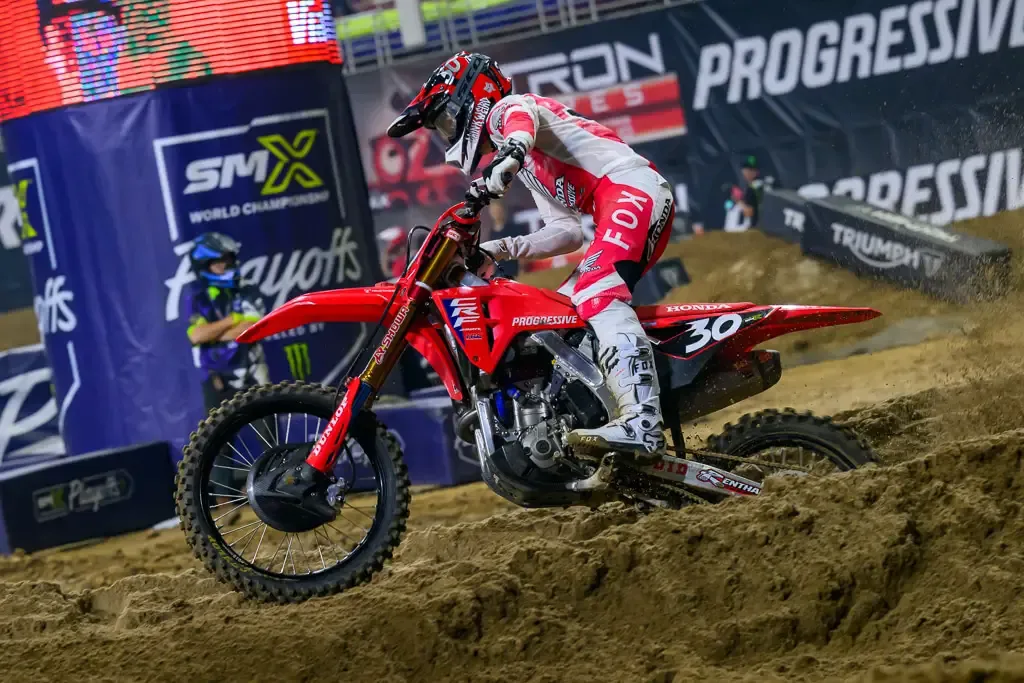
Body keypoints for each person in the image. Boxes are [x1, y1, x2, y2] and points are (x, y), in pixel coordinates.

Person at [387, 51, 675, 458]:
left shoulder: (509, 110)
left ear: (471, 98)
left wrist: (509, 157)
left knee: (598, 293)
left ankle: (642, 421)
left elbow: (519, 123)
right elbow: (567, 233)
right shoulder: (529, 165)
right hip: (625, 200)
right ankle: (607, 411)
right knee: (565, 315)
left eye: (446, 120)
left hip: (631, 190)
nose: (448, 134)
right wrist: (500, 248)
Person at [185, 232, 269, 504]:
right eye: (218, 262)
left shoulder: (247, 287)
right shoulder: (196, 295)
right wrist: (233, 320)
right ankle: (224, 500)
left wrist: (215, 331)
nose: (225, 265)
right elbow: (196, 335)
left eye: (228, 260)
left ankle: (274, 487)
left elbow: (252, 327)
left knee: (268, 432)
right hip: (215, 376)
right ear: (204, 266)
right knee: (218, 436)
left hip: (253, 371)